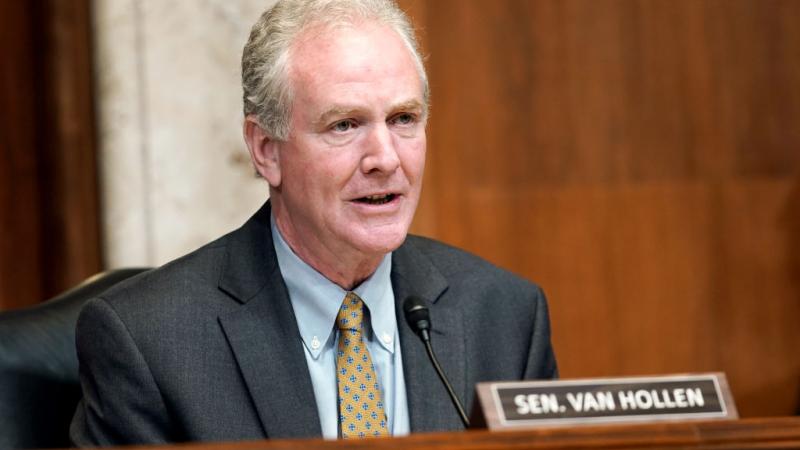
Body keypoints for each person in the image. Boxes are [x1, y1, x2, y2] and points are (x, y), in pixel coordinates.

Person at [70, 0, 557, 446]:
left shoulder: (505, 318)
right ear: (266, 150)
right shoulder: (151, 341)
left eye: (404, 119)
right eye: (345, 125)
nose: (385, 158)